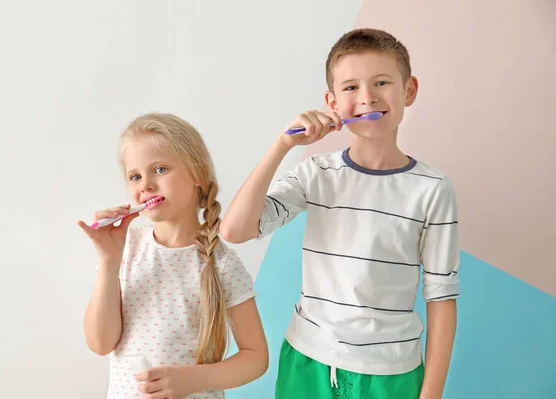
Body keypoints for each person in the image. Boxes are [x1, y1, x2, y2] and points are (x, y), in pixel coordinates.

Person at [221, 28, 459, 399]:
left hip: (391, 374)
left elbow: (441, 298)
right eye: (350, 88)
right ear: (332, 102)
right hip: (306, 360)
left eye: (382, 82)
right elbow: (235, 231)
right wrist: (283, 144)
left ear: (409, 90)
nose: (367, 98)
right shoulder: (315, 174)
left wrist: (431, 394)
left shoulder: (432, 189)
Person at [79, 113, 268, 399]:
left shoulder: (222, 263)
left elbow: (255, 358)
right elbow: (100, 343)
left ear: (197, 174)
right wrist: (108, 261)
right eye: (135, 176)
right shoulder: (126, 249)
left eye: (160, 169)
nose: (145, 185)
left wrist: (192, 380)